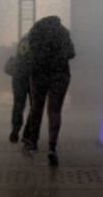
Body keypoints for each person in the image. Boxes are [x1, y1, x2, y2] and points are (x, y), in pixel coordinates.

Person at [21, 16, 75, 167]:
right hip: (59, 75)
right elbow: (71, 53)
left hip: (38, 75)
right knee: (55, 111)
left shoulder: (35, 32)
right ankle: (52, 147)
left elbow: (28, 54)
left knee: (36, 109)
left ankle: (33, 143)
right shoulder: (63, 32)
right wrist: (57, 58)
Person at [4, 34, 31, 144]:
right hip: (31, 77)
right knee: (35, 107)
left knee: (18, 105)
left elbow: (21, 55)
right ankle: (27, 133)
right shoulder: (38, 41)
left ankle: (15, 130)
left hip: (19, 77)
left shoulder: (24, 40)